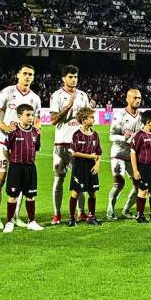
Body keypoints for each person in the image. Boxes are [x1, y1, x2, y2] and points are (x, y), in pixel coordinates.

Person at [0, 64, 40, 231]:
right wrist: (4, 127)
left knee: (23, 179)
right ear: (18, 75)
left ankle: (15, 217)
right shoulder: (7, 92)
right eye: (24, 73)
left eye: (30, 74)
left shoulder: (35, 98)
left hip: (23, 143)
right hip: (2, 141)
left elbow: (36, 120)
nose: (27, 77)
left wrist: (39, 127)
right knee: (0, 179)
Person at [49, 65, 94, 225]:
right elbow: (53, 120)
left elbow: (88, 120)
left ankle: (81, 212)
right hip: (61, 144)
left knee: (80, 180)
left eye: (75, 77)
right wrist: (67, 107)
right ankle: (57, 214)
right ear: (63, 78)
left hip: (79, 146)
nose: (73, 79)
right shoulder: (57, 96)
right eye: (70, 77)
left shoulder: (83, 95)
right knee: (59, 180)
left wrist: (90, 111)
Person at [2, 104, 45, 233]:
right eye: (28, 115)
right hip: (16, 167)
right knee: (13, 196)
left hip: (30, 168)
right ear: (19, 116)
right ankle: (9, 222)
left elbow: (36, 148)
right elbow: (5, 149)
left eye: (32, 115)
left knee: (31, 196)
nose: (31, 118)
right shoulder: (13, 131)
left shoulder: (35, 132)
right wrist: (13, 162)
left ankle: (31, 221)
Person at [108, 89, 145, 220]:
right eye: (135, 98)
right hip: (118, 153)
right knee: (119, 183)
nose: (138, 100)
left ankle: (126, 210)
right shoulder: (120, 115)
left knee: (139, 184)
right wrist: (124, 138)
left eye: (139, 98)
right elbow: (111, 136)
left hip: (133, 155)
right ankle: (110, 211)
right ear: (127, 99)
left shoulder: (142, 116)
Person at [68, 107, 102, 226]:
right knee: (76, 192)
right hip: (80, 166)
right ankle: (72, 218)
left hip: (92, 166)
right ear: (84, 119)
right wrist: (89, 157)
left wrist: (97, 164)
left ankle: (91, 216)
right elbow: (73, 152)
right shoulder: (77, 135)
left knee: (92, 192)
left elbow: (99, 153)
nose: (93, 119)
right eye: (91, 117)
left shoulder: (95, 135)